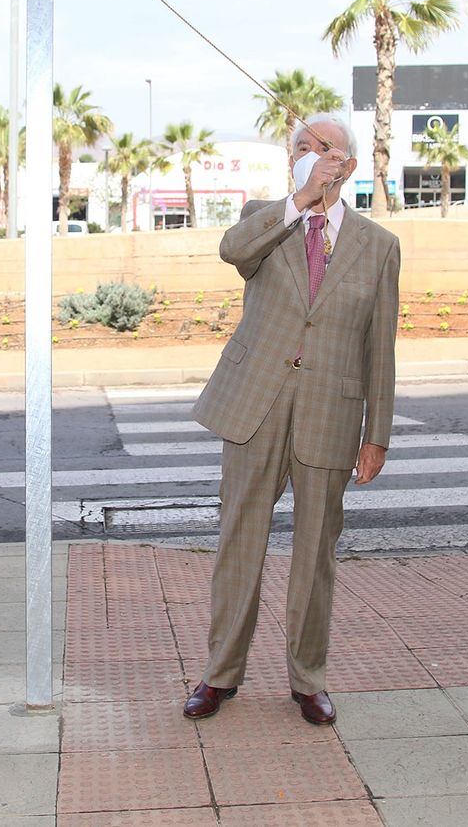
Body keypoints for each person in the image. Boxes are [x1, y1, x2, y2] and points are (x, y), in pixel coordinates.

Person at [183, 114, 399, 727]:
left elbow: (379, 346)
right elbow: (233, 252)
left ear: (350, 165)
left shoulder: (378, 245)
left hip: (331, 412)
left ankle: (308, 679)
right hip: (254, 402)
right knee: (239, 542)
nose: (311, 155)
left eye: (324, 148)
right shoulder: (264, 217)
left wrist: (376, 433)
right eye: (301, 148)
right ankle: (220, 674)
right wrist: (302, 199)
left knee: (315, 553)